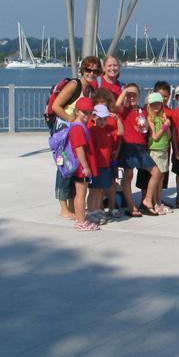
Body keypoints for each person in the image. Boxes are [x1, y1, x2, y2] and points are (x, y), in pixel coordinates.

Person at [51, 56, 100, 219]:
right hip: (63, 131)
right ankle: (63, 207)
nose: (91, 73)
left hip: (76, 132)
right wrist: (70, 118)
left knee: (75, 166)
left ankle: (72, 205)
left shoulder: (91, 90)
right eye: (88, 69)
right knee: (64, 167)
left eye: (95, 70)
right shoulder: (74, 85)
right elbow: (56, 106)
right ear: (82, 70)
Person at [115, 83, 161, 217]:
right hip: (128, 146)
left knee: (156, 172)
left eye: (134, 95)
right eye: (129, 95)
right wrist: (124, 93)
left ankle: (147, 199)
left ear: (139, 96)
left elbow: (146, 127)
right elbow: (116, 107)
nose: (131, 97)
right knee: (128, 176)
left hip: (141, 148)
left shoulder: (142, 110)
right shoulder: (123, 109)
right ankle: (131, 206)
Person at [86, 103, 121, 225]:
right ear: (94, 117)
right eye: (100, 119)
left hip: (105, 165)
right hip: (96, 166)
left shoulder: (106, 130)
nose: (102, 121)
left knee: (100, 190)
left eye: (105, 119)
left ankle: (97, 210)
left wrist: (116, 119)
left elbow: (120, 132)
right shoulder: (92, 130)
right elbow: (90, 150)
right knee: (94, 190)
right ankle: (91, 212)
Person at [69, 97, 99, 231]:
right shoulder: (78, 128)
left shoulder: (80, 126)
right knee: (81, 193)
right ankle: (81, 222)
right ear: (77, 111)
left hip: (81, 166)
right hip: (82, 167)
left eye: (89, 112)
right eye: (84, 112)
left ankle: (79, 218)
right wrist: (85, 166)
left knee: (80, 192)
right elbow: (79, 148)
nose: (87, 115)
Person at [146, 91, 172, 215]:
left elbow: (170, 136)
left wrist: (166, 124)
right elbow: (155, 137)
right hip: (155, 150)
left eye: (158, 104)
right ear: (149, 105)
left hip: (164, 150)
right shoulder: (150, 118)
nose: (156, 106)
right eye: (153, 104)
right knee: (156, 177)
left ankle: (158, 201)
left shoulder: (162, 117)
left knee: (161, 178)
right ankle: (153, 201)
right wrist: (164, 127)